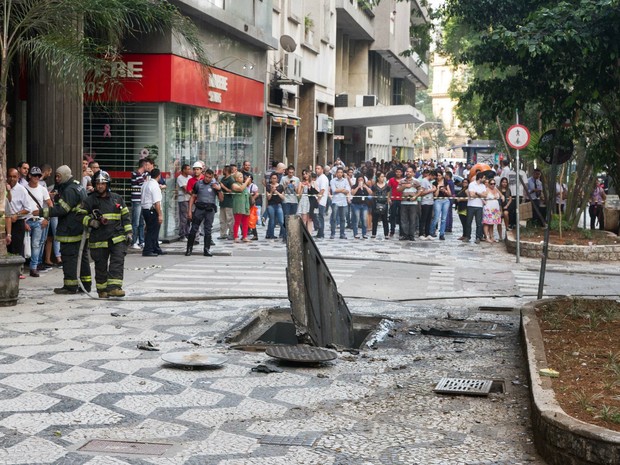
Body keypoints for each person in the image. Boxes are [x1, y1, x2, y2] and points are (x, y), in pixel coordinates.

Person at [77, 171, 132, 298]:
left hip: (117, 237)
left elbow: (125, 217)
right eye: (98, 183)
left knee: (117, 261)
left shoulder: (117, 198)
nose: (100, 186)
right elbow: (79, 216)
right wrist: (91, 221)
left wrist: (129, 232)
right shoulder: (89, 200)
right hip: (99, 238)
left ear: (107, 184)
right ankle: (102, 290)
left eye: (103, 183)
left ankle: (114, 288)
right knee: (100, 265)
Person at [41, 165, 92, 294]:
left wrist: (42, 212)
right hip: (80, 228)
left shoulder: (69, 190)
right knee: (82, 257)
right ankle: (86, 284)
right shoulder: (78, 185)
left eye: (59, 176)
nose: (57, 179)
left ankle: (70, 286)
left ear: (65, 176)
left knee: (69, 258)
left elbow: (62, 209)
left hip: (71, 229)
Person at [24, 167, 53, 277]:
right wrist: (23, 222)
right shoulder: (23, 188)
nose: (37, 177)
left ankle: (33, 267)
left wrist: (46, 219)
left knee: (36, 245)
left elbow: (50, 205)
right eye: (34, 175)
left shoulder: (42, 189)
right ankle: (23, 267)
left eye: (39, 176)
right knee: (24, 244)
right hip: (26, 219)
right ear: (29, 176)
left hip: (38, 221)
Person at [186, 168, 220, 256]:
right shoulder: (198, 184)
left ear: (212, 177)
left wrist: (219, 190)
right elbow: (192, 197)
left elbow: (221, 199)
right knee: (194, 228)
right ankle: (189, 249)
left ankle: (206, 249)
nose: (207, 179)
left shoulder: (214, 185)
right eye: (206, 177)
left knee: (208, 230)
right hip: (199, 208)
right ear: (204, 175)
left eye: (209, 177)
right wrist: (189, 211)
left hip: (210, 210)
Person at [7, 168, 37, 262]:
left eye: (14, 177)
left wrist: (17, 214)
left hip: (17, 222)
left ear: (18, 177)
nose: (12, 179)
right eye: (10, 176)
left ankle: (18, 271)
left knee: (17, 247)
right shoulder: (4, 187)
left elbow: (28, 209)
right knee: (7, 248)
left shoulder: (21, 190)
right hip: (6, 221)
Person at [140, 168, 165, 257]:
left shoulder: (145, 183)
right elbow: (156, 202)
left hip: (145, 209)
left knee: (153, 229)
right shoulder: (155, 186)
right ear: (159, 175)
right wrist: (160, 215)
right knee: (152, 231)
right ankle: (148, 250)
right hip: (151, 210)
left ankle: (155, 248)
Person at [130, 158, 153, 250]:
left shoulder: (145, 174)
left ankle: (141, 241)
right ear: (144, 165)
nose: (149, 167)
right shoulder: (135, 174)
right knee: (135, 222)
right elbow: (143, 184)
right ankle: (134, 241)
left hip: (142, 200)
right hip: (136, 200)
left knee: (141, 222)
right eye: (147, 165)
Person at [397, 167, 422, 241]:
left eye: (410, 172)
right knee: (403, 219)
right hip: (404, 202)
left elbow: (420, 190)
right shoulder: (402, 181)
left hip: (413, 203)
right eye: (407, 171)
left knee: (412, 219)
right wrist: (404, 186)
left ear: (413, 173)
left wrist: (416, 196)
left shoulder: (416, 181)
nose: (408, 173)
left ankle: (411, 235)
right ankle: (405, 234)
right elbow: (398, 190)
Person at [463, 172, 487, 244]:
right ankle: (467, 236)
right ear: (480, 178)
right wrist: (480, 195)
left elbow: (485, 195)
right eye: (483, 178)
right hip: (471, 205)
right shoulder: (472, 184)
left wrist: (477, 193)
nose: (484, 179)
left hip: (479, 206)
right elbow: (471, 195)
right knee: (468, 222)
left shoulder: (483, 186)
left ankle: (478, 237)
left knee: (479, 223)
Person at [329, 167, 351, 239]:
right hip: (335, 201)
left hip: (343, 202)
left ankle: (342, 234)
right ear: (336, 173)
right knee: (334, 218)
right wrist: (342, 190)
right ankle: (333, 233)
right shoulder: (332, 181)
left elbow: (347, 190)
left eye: (341, 172)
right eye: (338, 172)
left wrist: (340, 190)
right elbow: (334, 190)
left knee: (343, 219)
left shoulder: (345, 181)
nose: (340, 174)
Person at [231, 171, 252, 242]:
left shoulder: (244, 184)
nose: (242, 178)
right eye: (240, 177)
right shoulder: (234, 185)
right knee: (237, 221)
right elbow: (240, 189)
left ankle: (244, 236)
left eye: (242, 177)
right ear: (236, 179)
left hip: (245, 205)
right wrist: (247, 182)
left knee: (245, 222)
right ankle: (235, 236)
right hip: (238, 205)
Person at [430, 170, 451, 240]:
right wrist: (438, 188)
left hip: (445, 200)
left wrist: (445, 190)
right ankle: (432, 231)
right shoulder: (434, 183)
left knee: (444, 219)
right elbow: (435, 195)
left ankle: (442, 234)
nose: (438, 177)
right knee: (436, 217)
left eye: (440, 175)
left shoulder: (446, 182)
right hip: (438, 200)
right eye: (437, 175)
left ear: (442, 175)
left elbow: (450, 194)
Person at [265, 173, 285, 239]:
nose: (274, 180)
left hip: (278, 204)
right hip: (271, 205)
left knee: (281, 220)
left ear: (277, 179)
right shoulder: (268, 186)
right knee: (272, 220)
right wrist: (271, 191)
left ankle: (283, 234)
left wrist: (277, 192)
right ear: (271, 179)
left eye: (275, 178)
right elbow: (268, 198)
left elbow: (283, 197)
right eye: (273, 178)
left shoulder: (280, 186)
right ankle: (271, 234)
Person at [418, 169, 436, 240]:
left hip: (430, 202)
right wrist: (431, 190)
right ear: (431, 175)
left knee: (429, 219)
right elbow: (421, 193)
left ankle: (427, 233)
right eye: (433, 177)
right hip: (425, 202)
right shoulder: (424, 181)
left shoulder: (429, 182)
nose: (433, 179)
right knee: (423, 219)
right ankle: (421, 233)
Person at [371, 172, 390, 239]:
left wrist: (388, 201)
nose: (383, 178)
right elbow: (373, 194)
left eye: (383, 176)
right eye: (381, 177)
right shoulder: (374, 186)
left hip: (384, 203)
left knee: (385, 219)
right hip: (376, 203)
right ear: (378, 178)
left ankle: (386, 233)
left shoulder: (387, 186)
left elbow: (388, 194)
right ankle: (374, 233)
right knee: (375, 219)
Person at [482, 178, 502, 242]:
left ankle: (492, 236)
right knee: (487, 223)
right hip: (488, 207)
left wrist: (503, 197)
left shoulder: (496, 189)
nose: (493, 185)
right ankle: (487, 237)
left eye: (494, 183)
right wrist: (484, 201)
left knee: (492, 223)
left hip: (495, 208)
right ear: (488, 184)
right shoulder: (486, 190)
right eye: (491, 184)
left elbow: (501, 195)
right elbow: (481, 196)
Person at [176, 163, 191, 241]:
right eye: (188, 169)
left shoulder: (190, 177)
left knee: (189, 217)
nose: (189, 170)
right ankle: (182, 234)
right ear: (184, 170)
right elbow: (186, 189)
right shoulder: (180, 178)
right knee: (184, 217)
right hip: (183, 199)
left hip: (189, 199)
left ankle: (187, 232)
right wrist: (193, 193)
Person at [313, 164, 330, 238]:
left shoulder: (323, 178)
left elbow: (322, 190)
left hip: (320, 201)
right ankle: (320, 232)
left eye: (318, 168)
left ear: (322, 169)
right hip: (319, 201)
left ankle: (321, 233)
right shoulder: (318, 178)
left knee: (320, 217)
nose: (317, 170)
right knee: (318, 217)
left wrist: (318, 199)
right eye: (316, 168)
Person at [387, 167, 403, 237]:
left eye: (399, 172)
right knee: (392, 215)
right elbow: (388, 190)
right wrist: (388, 198)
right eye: (397, 172)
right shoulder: (391, 180)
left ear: (401, 173)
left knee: (401, 216)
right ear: (395, 172)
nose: (398, 173)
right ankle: (392, 230)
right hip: (393, 199)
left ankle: (401, 231)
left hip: (402, 200)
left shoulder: (403, 180)